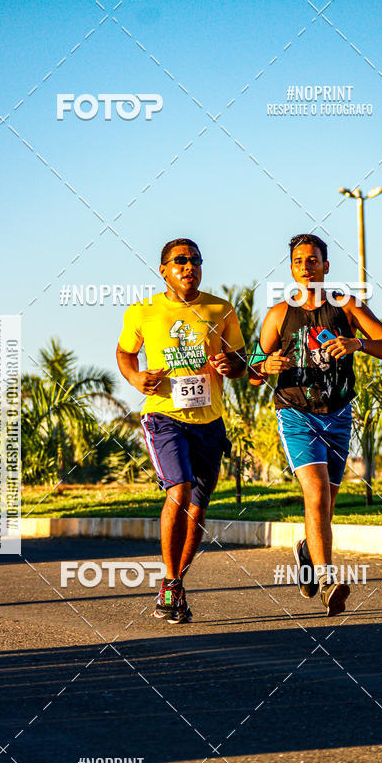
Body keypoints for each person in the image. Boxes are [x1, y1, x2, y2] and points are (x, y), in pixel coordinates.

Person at [249, 234, 382, 616]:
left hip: (338, 415)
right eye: (299, 261)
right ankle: (328, 580)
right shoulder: (279, 314)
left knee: (327, 505)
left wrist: (357, 345)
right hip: (295, 412)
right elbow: (250, 367)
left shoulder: (346, 306)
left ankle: (306, 550)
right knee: (315, 495)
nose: (306, 266)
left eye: (313, 260)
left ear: (326, 266)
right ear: (291, 269)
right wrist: (264, 367)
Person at [117, 238, 246, 623]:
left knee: (198, 506)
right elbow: (125, 353)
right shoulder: (144, 311)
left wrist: (231, 364)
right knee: (179, 489)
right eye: (181, 261)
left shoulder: (220, 309)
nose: (190, 267)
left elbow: (242, 359)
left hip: (210, 420)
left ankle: (174, 583)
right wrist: (136, 378)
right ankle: (171, 582)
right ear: (164, 269)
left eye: (196, 261)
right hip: (164, 416)